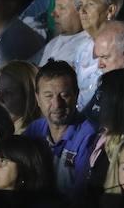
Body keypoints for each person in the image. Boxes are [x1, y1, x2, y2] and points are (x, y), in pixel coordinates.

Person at [26, 60, 97, 198]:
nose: (57, 104)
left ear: (76, 95)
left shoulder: (89, 135)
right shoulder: (34, 130)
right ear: (37, 99)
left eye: (64, 95)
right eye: (48, 96)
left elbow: (81, 195)